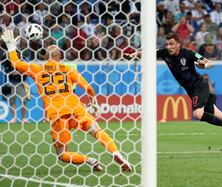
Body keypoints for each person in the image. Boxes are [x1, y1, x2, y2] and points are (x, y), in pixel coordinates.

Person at [1, 29, 132, 172]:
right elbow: (87, 87)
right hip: (76, 108)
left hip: (57, 114)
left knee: (62, 155)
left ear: (46, 57)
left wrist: (11, 47)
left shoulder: (37, 70)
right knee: (97, 131)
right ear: (60, 56)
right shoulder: (68, 69)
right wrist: (94, 103)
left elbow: (16, 64)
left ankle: (89, 160)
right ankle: (116, 153)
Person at [125, 32, 222, 141]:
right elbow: (149, 52)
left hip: (200, 86)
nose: (169, 47)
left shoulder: (188, 53)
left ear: (178, 44)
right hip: (191, 90)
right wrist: (133, 55)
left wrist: (204, 66)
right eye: (167, 44)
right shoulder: (164, 53)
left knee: (198, 114)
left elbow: (209, 63)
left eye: (171, 44)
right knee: (220, 115)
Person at [1, 59, 29, 124]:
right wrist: (20, 71)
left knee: (23, 101)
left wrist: (18, 72)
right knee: (12, 101)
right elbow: (11, 73)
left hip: (21, 83)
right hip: (11, 84)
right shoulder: (7, 63)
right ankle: (14, 118)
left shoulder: (22, 62)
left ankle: (24, 119)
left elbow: (26, 72)